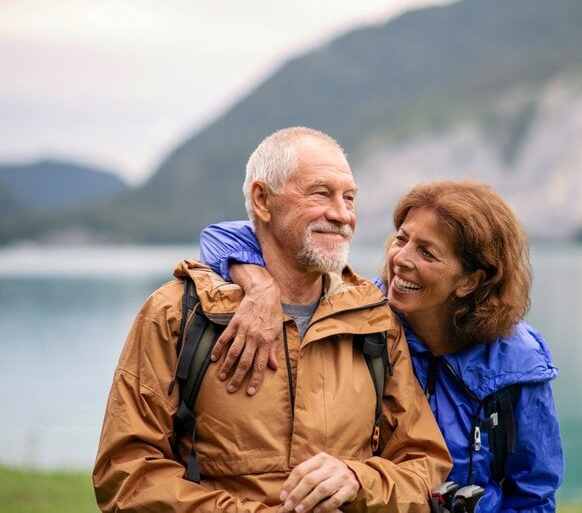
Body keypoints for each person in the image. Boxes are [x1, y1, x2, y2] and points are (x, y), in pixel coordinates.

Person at [93, 126, 452, 512]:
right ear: (262, 200)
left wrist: (358, 480)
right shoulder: (176, 314)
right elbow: (127, 475)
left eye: (349, 198)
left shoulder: (374, 318)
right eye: (321, 193)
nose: (343, 214)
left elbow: (424, 464)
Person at [199, 179, 565, 511]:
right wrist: (259, 285)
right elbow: (219, 236)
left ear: (470, 281)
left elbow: (533, 494)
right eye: (402, 239)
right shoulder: (362, 316)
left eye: (427, 252)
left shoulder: (517, 362)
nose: (400, 260)